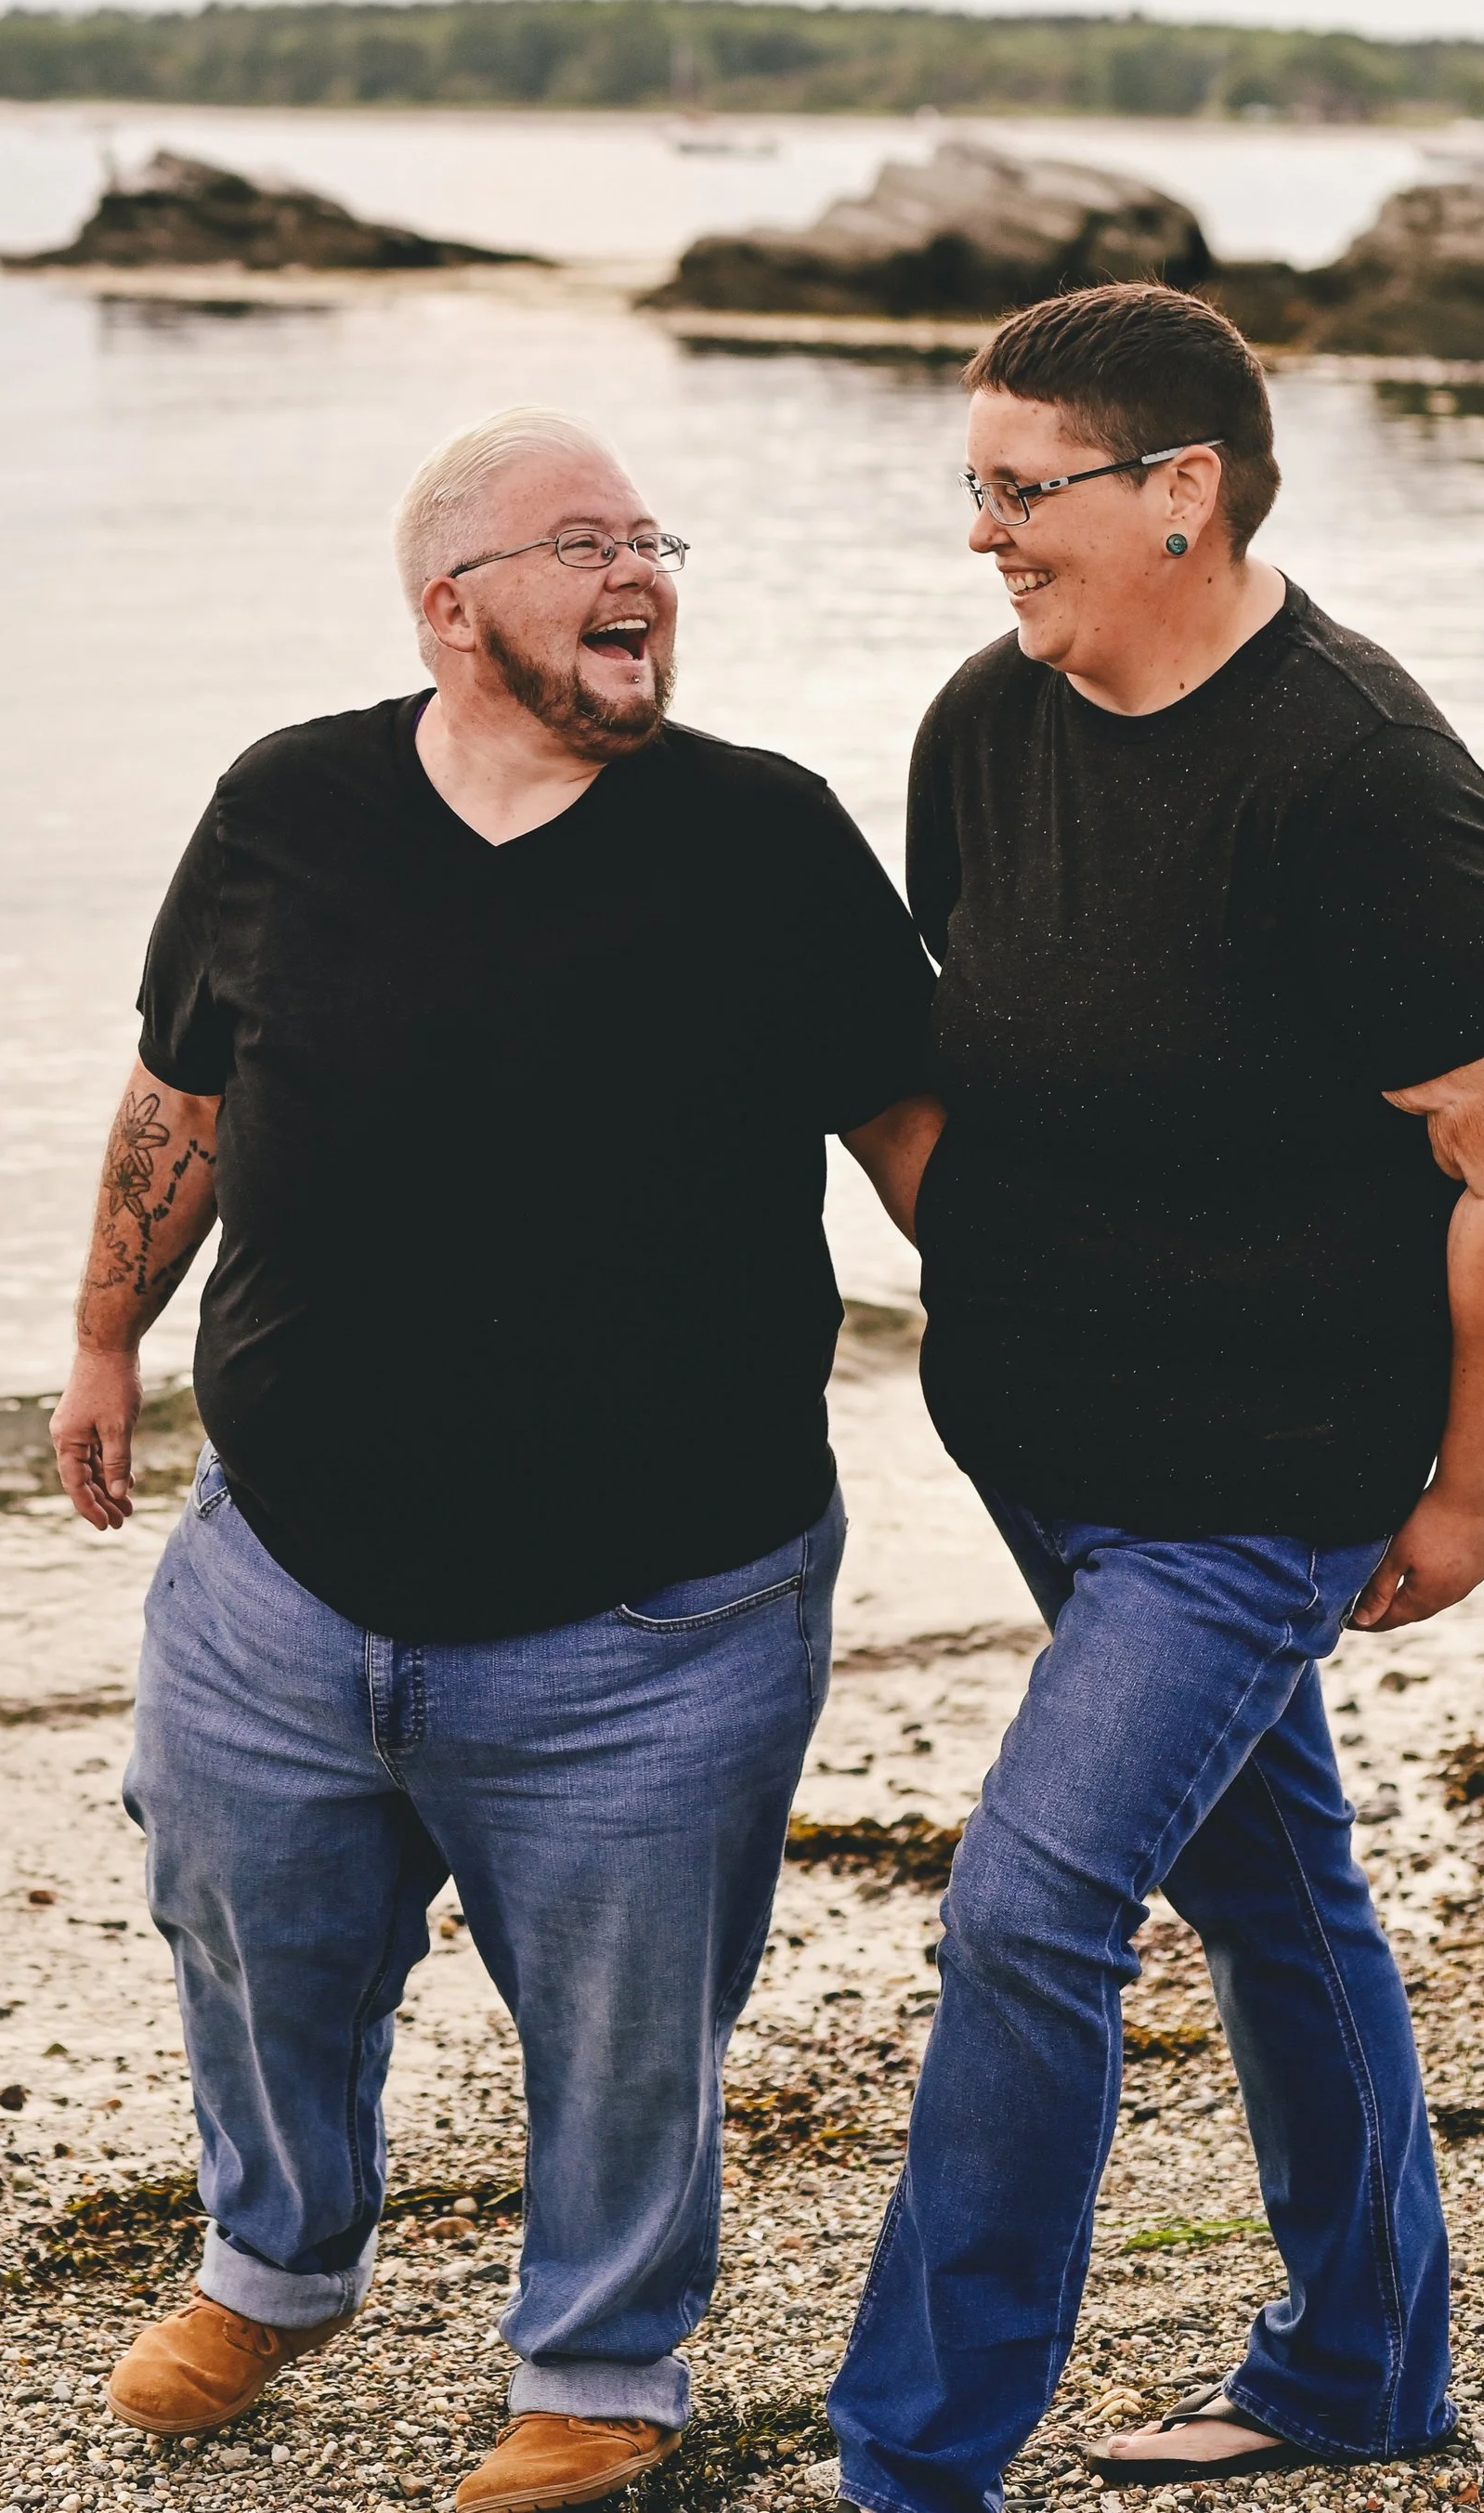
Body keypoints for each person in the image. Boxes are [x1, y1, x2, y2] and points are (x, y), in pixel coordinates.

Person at [49, 405, 942, 2513]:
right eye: (580, 541)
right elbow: (180, 1087)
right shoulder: (287, 806)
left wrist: (1126, 1351)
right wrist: (103, 1330)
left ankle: (601, 2371)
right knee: (238, 1926)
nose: (638, 570)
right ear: (452, 607)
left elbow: (926, 1158)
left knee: (632, 2014)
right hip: (276, 1568)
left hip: (655, 1603)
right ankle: (273, 2263)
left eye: (651, 537)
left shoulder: (766, 838)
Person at [827, 283, 1484, 2513]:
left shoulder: (1361, 781)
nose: (984, 536)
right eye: (975, 489)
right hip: (1044, 1450)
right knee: (1281, 1895)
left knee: (1027, 1902)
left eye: (1022, 491)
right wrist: (1007, 1284)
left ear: (1180, 494)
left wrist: (1469, 1485)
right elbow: (933, 1072)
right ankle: (1359, 2365)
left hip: (1258, 1471)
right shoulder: (980, 725)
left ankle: (909, 2461)